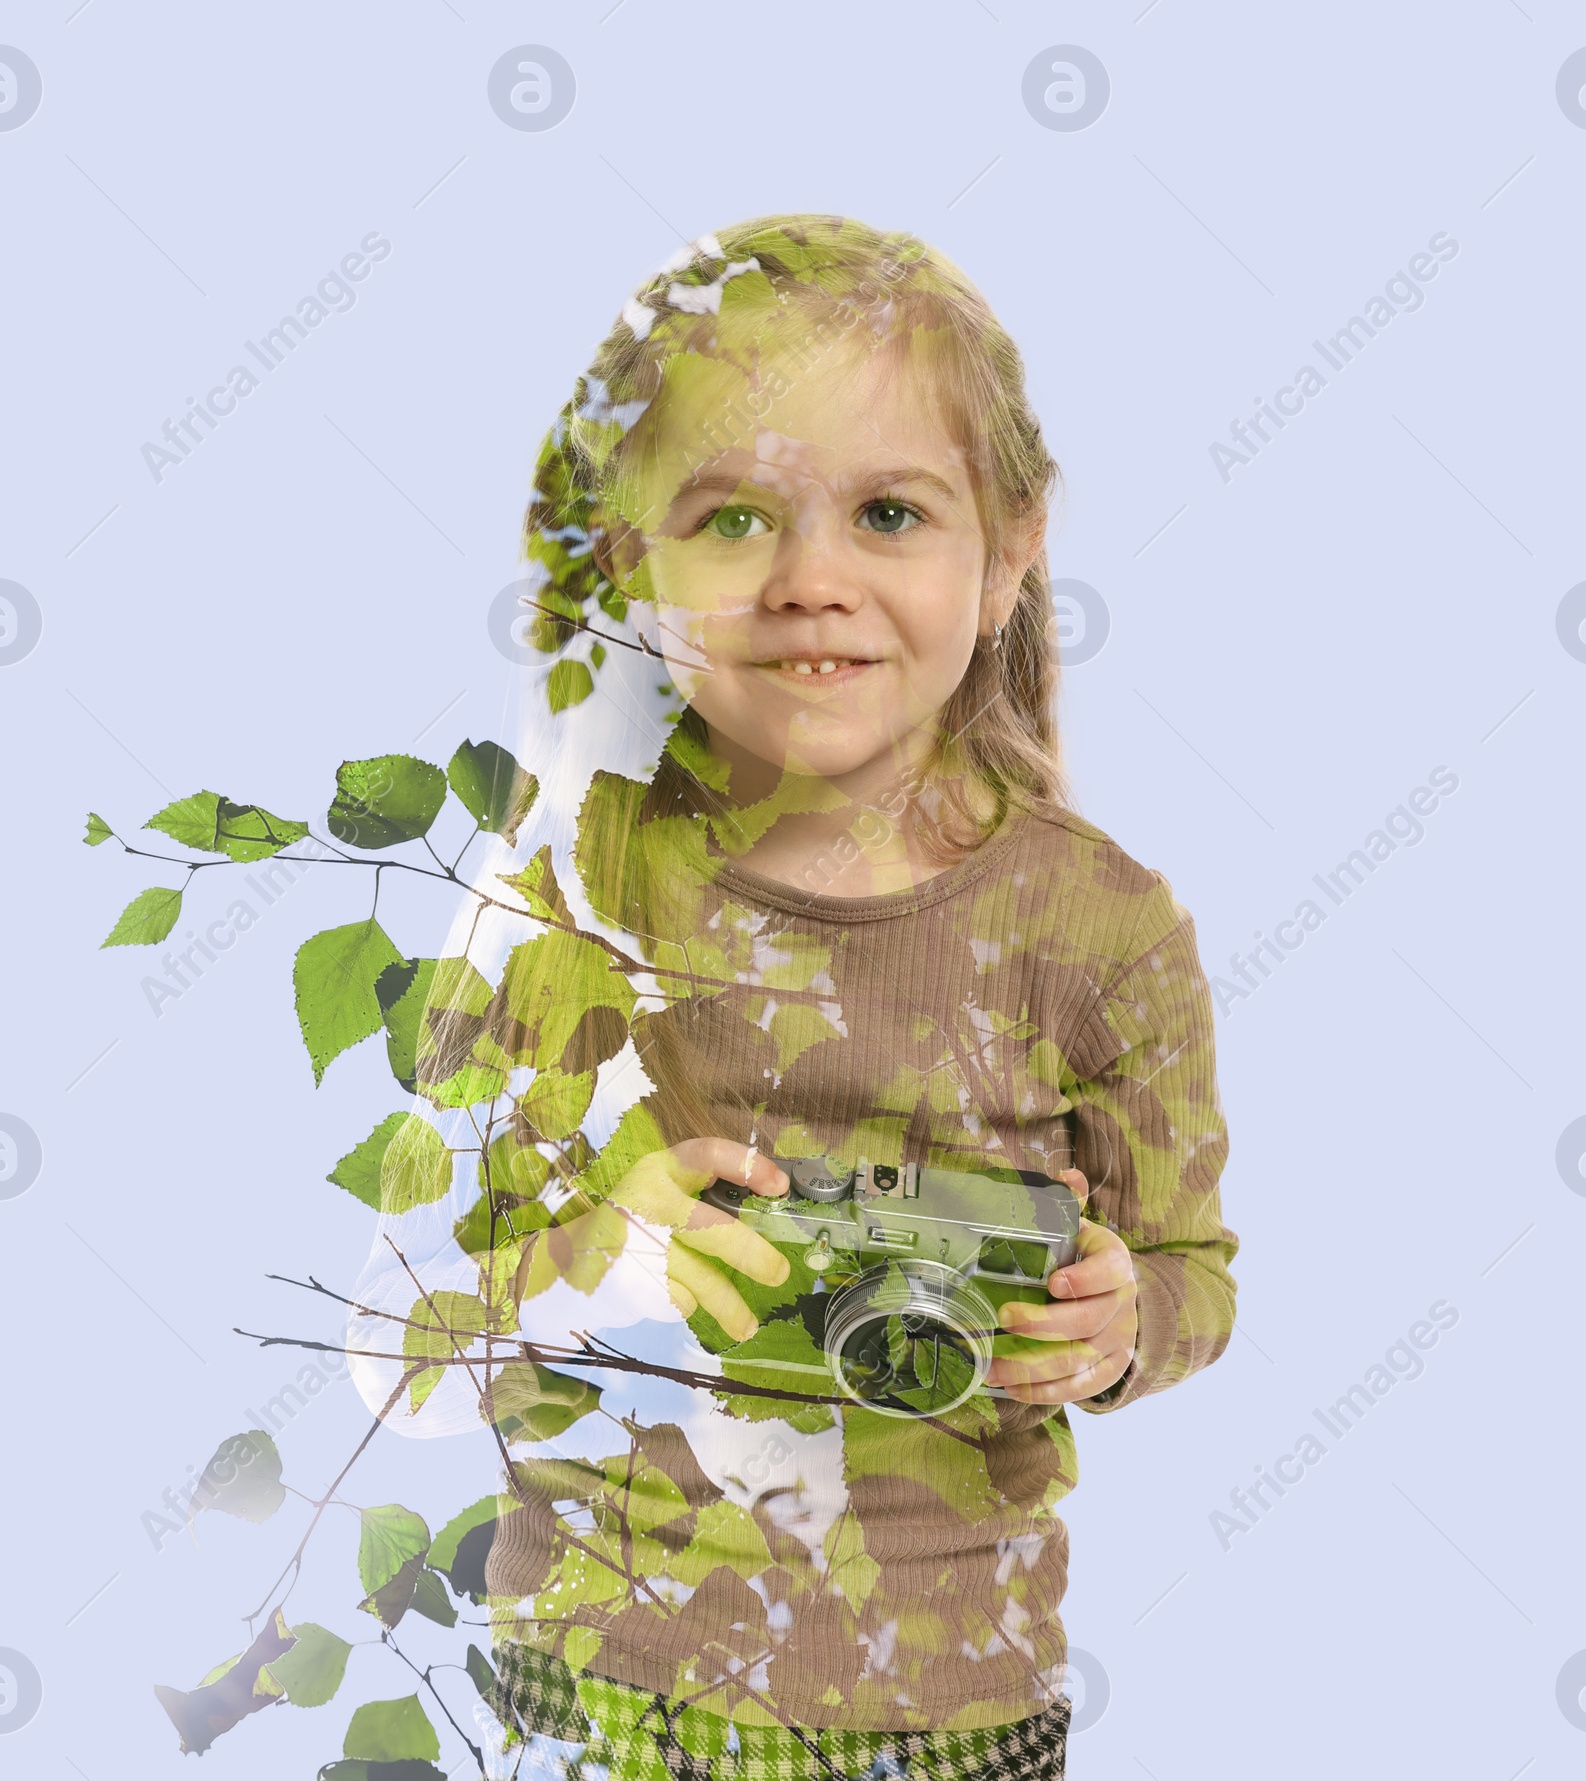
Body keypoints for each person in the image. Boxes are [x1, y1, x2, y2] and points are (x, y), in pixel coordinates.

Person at [354, 213, 1237, 1781]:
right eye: (735, 517)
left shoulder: (1102, 925)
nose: (812, 580)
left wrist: (1117, 1320)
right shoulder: (560, 883)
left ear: (1013, 548)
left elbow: (1190, 1276)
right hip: (594, 1691)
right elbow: (393, 1354)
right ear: (632, 558)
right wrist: (604, 1258)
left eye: (890, 511)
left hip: (950, 1714)